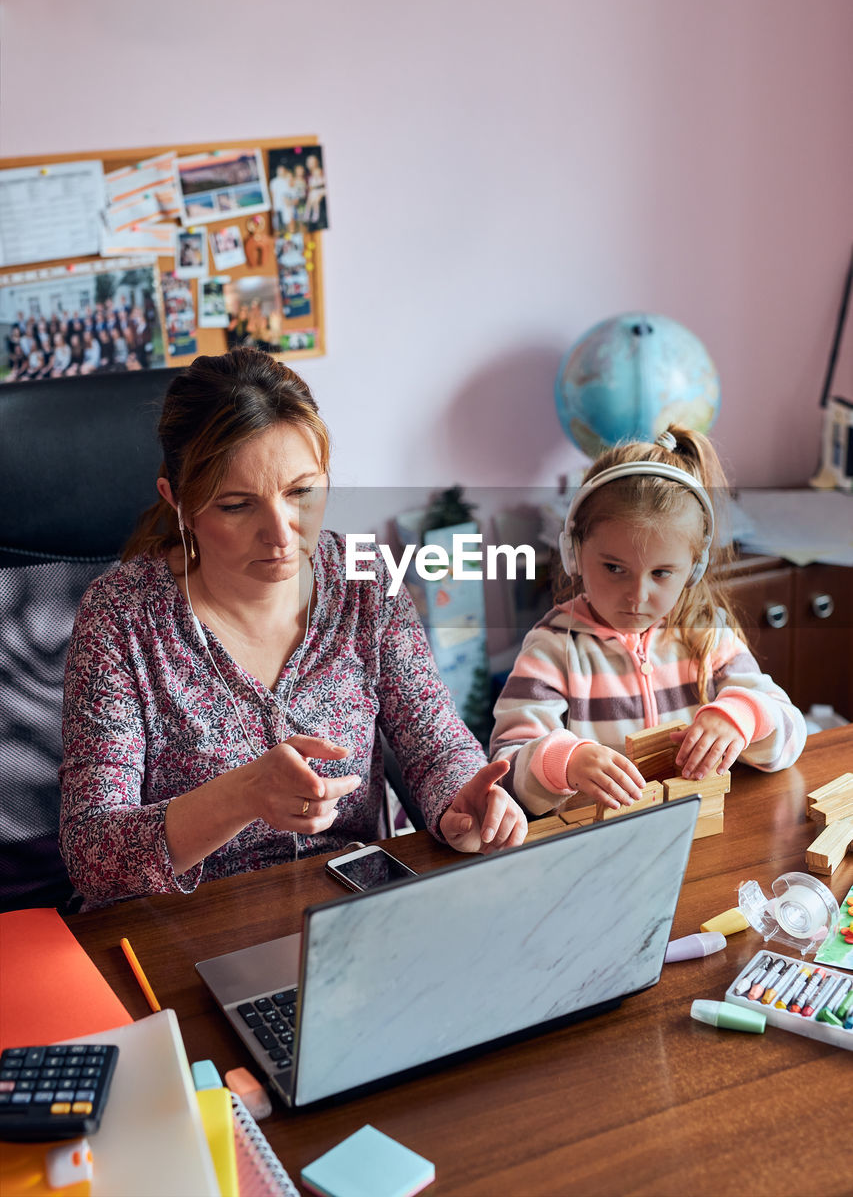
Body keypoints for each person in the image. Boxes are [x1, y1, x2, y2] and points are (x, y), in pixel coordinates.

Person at [59, 349, 525, 908]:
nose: (282, 535)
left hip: (346, 912)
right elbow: (91, 855)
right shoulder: (120, 618)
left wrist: (465, 802)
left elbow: (434, 741)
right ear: (179, 504)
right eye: (237, 506)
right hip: (178, 931)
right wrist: (241, 795)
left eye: (302, 492)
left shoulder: (367, 581)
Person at [490, 427, 806, 818]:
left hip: (697, 836)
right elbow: (504, 771)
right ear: (573, 553)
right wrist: (565, 762)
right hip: (598, 848)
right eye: (614, 568)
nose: (637, 596)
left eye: (661, 574)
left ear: (694, 568)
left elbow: (792, 736)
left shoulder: (707, 631)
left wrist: (743, 718)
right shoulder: (552, 647)